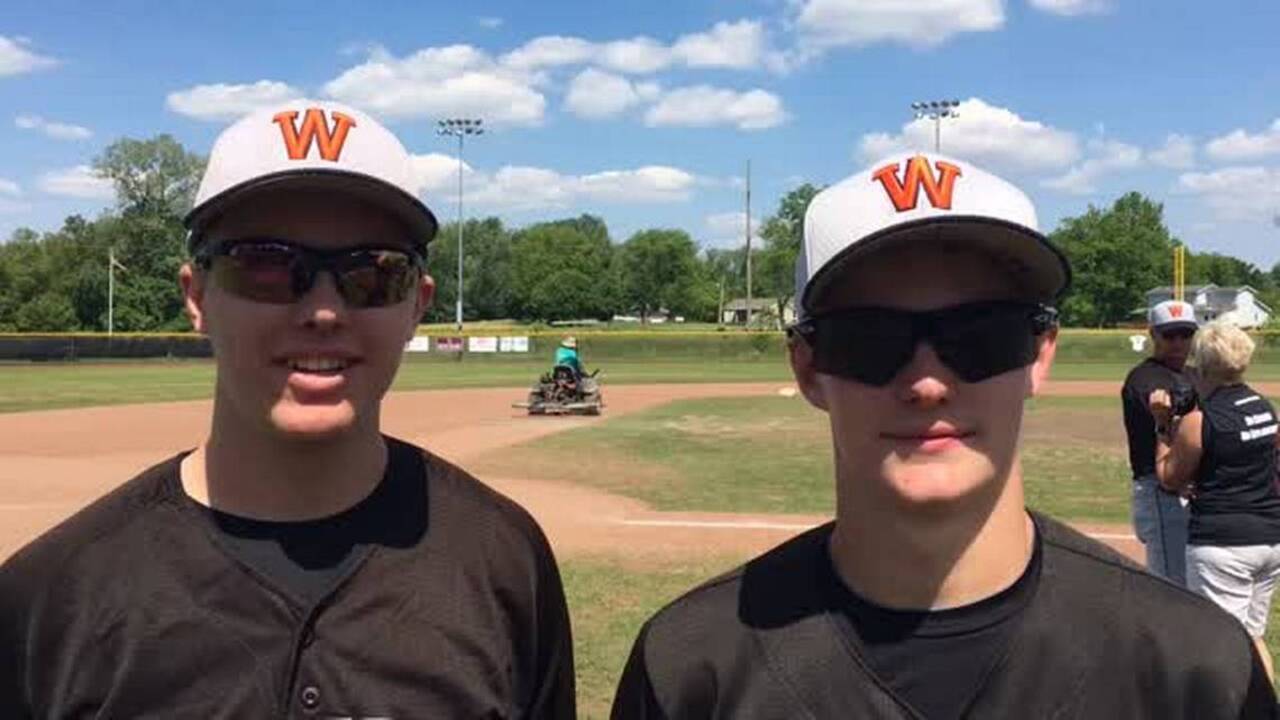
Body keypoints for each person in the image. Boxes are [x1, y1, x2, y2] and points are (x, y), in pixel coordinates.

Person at [611, 152, 1276, 719]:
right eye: (870, 338)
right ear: (809, 367)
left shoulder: (1196, 672)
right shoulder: (691, 673)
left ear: (1039, 353)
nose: (927, 382)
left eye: (980, 334)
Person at [0, 101, 575, 718]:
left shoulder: (506, 564)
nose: (324, 312)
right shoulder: (49, 600)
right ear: (196, 296)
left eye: (373, 274)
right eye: (268, 267)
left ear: (417, 304)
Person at [1151, 319, 1280, 682]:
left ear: (1201, 364)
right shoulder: (1264, 407)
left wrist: (1162, 425)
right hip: (1268, 537)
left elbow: (1168, 477)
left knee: (1217, 646)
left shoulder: (1200, 420)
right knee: (1252, 638)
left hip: (1224, 543)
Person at [1122, 299, 1199, 585]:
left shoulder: (1195, 374)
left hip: (1192, 488)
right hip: (1160, 488)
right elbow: (1175, 426)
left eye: (1186, 333)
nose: (1178, 342)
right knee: (1171, 585)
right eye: (1169, 334)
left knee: (1193, 580)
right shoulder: (1143, 378)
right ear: (1153, 334)